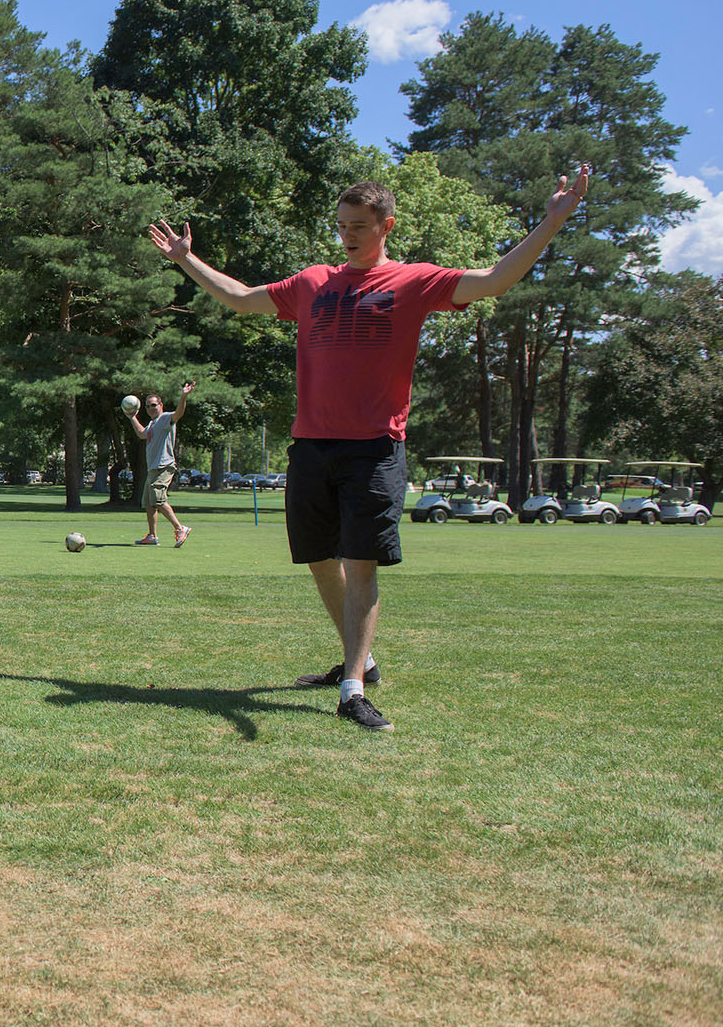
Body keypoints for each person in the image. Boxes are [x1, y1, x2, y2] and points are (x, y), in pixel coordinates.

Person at [147, 164, 589, 732]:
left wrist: (551, 223)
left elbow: (495, 279)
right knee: (318, 559)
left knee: (361, 563)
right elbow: (240, 298)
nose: (348, 234)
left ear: (386, 225)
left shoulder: (413, 282)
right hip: (310, 446)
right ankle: (364, 661)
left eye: (358, 224)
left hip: (374, 449)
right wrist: (186, 259)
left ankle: (352, 688)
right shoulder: (312, 283)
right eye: (341, 225)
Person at [125, 382, 194, 547]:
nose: (150, 408)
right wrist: (132, 417)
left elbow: (178, 413)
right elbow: (142, 434)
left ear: (161, 405)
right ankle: (152, 536)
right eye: (148, 406)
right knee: (149, 503)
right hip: (153, 468)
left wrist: (183, 395)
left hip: (164, 465)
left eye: (154, 405)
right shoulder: (152, 424)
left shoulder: (164, 418)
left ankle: (180, 528)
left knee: (157, 498)